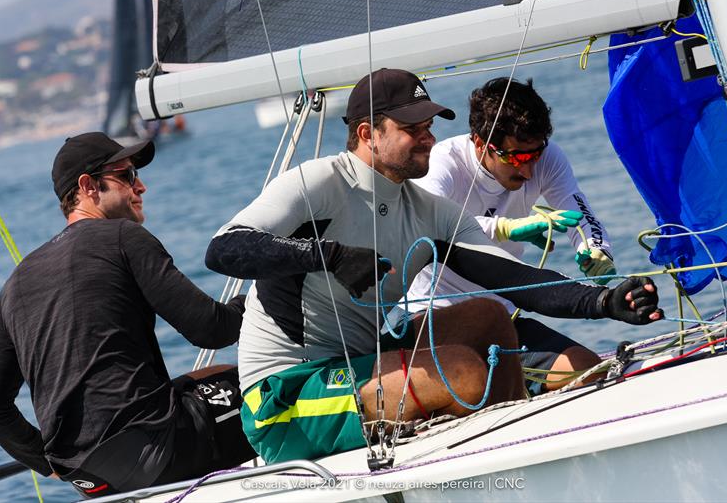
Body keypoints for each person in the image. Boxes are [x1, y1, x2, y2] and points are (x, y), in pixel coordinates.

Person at [205, 68, 663, 465]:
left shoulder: (430, 211)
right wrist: (332, 256)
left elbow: (517, 281)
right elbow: (224, 248)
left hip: (363, 358)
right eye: (413, 129)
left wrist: (605, 300)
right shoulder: (320, 183)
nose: (430, 138)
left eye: (429, 125)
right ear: (369, 134)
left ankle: (514, 456)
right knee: (462, 371)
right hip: (285, 397)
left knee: (490, 315)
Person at [0, 133, 255, 498]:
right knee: (270, 388)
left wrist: (48, 463)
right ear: (87, 186)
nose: (140, 185)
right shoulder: (123, 237)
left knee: (210, 376)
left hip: (89, 479)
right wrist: (255, 301)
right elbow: (212, 330)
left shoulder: (16, 282)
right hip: (159, 453)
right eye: (126, 176)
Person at [402, 77, 617, 393]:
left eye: (534, 156)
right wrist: (506, 228)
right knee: (476, 386)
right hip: (434, 318)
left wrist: (597, 249)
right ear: (480, 143)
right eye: (516, 157)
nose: (528, 171)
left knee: (587, 370)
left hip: (499, 319)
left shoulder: (547, 157)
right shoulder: (443, 162)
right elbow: (431, 226)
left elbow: (580, 213)